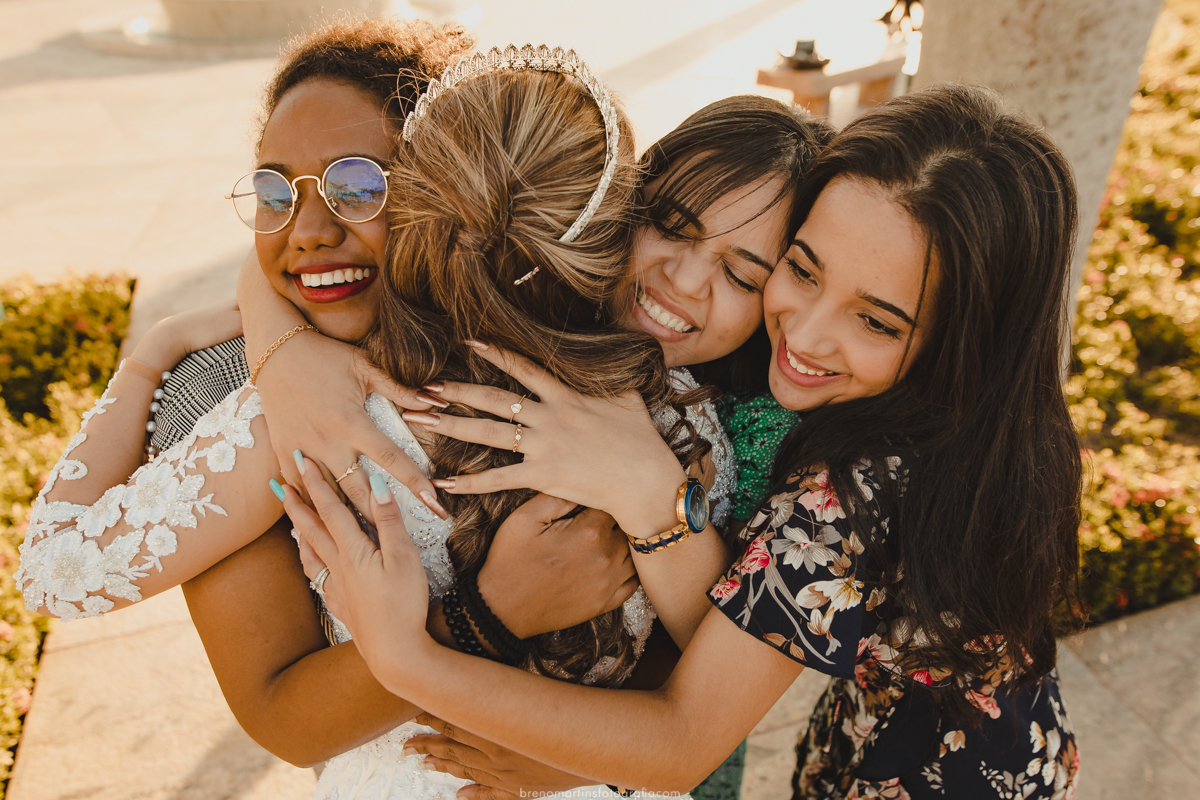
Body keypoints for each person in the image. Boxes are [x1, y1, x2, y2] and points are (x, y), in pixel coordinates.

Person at [16, 17, 830, 798]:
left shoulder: (294, 415)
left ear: (428, 187)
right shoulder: (688, 428)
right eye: (276, 191)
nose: (310, 230)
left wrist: (153, 356)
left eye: (357, 187)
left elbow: (56, 572)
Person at [289, 83, 1085, 800]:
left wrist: (410, 660)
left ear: (960, 340)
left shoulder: (849, 492)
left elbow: (684, 737)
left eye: (876, 321)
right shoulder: (990, 421)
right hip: (934, 738)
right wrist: (272, 335)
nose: (806, 335)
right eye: (804, 271)